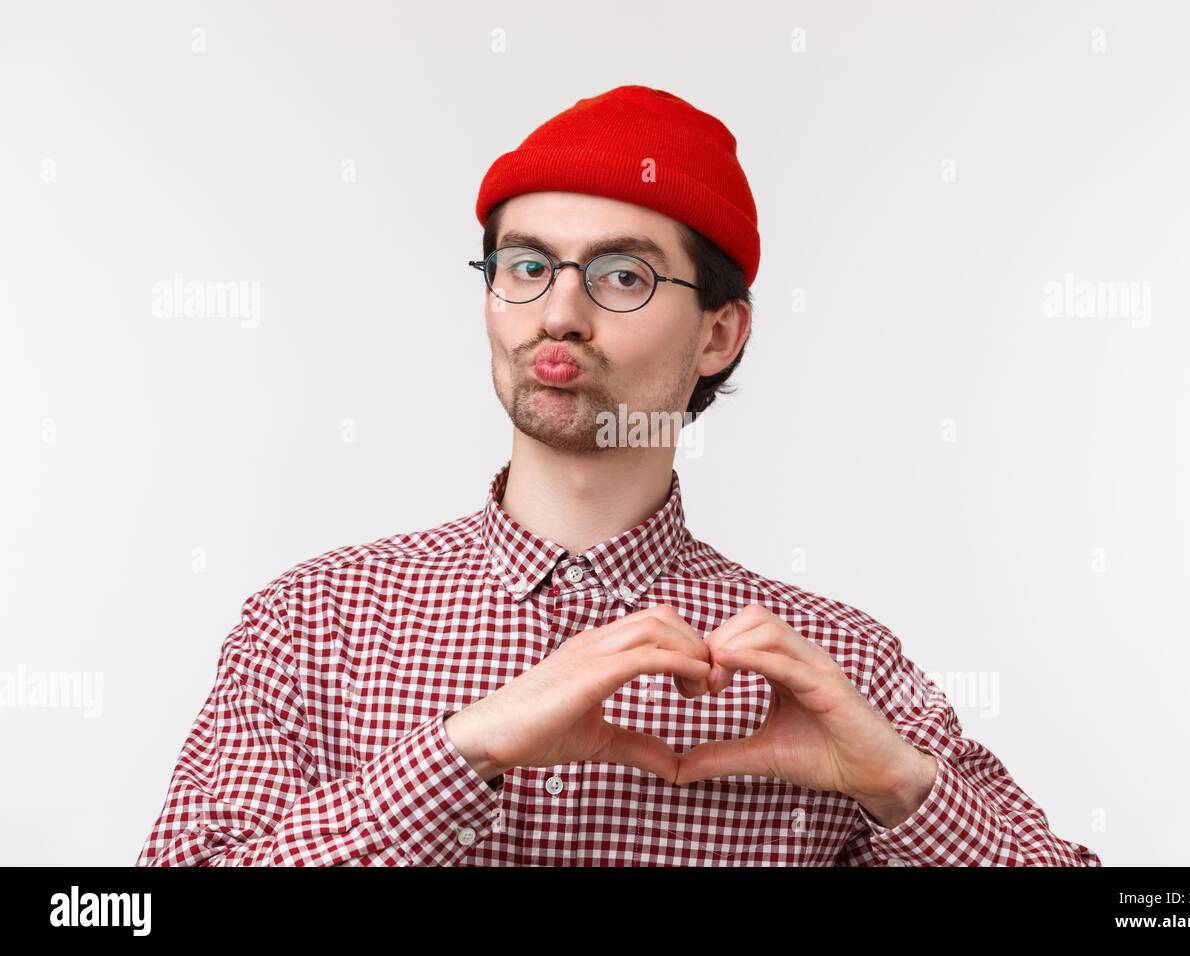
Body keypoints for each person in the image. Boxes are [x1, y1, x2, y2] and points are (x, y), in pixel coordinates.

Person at [135, 85, 1100, 866]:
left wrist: (900, 789)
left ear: (718, 334)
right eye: (524, 266)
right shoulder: (313, 624)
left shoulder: (836, 668)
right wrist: (456, 755)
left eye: (622, 275)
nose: (558, 314)